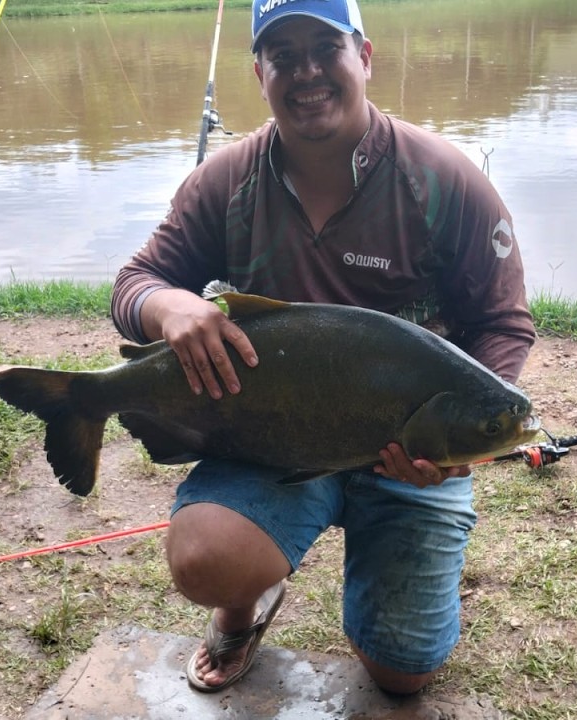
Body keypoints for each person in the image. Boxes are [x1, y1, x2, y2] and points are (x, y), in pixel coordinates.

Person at [110, 0, 536, 696]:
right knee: (205, 560)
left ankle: (395, 562)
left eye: (325, 48)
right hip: (272, 443)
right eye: (283, 55)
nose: (306, 72)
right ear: (259, 73)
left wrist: (457, 440)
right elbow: (135, 283)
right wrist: (167, 305)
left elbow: (503, 323)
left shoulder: (442, 180)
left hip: (406, 453)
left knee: (404, 675)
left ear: (363, 57)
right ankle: (241, 603)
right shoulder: (224, 183)